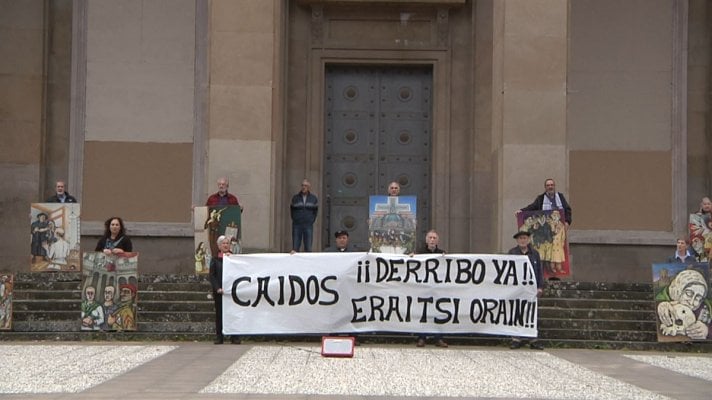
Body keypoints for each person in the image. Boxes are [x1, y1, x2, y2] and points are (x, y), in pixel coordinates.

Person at [508, 231, 545, 350]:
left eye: (524, 238)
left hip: (531, 288)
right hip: (517, 288)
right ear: (517, 241)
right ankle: (516, 339)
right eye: (520, 238)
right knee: (516, 311)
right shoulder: (512, 253)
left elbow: (539, 271)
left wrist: (540, 287)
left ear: (528, 240)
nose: (522, 240)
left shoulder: (535, 254)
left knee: (531, 312)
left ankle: (533, 339)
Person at [414, 230, 448, 348]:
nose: (432, 240)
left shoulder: (442, 254)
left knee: (438, 312)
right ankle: (421, 337)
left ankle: (438, 338)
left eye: (434, 238)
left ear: (437, 241)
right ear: (426, 240)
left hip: (437, 289)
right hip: (423, 288)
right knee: (423, 313)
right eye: (430, 238)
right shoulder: (420, 253)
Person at [656, 269, 711, 339]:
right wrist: (659, 305)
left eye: (698, 298)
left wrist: (707, 330)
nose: (691, 302)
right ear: (678, 290)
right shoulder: (664, 300)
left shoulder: (703, 309)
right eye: (689, 293)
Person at [209, 235, 240, 345]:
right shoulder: (215, 259)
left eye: (227, 243)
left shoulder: (234, 258)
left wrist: (230, 258)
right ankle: (219, 336)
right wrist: (217, 288)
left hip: (232, 292)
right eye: (224, 243)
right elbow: (212, 275)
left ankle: (234, 336)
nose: (226, 245)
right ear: (219, 246)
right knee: (219, 314)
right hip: (220, 292)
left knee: (233, 313)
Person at [290, 179, 319, 252]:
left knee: (308, 246)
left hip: (308, 224)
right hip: (297, 224)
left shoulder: (313, 198)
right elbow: (292, 210)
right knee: (295, 246)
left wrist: (311, 220)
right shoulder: (295, 198)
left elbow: (315, 211)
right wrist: (295, 219)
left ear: (309, 187)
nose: (303, 187)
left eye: (305, 186)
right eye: (302, 185)